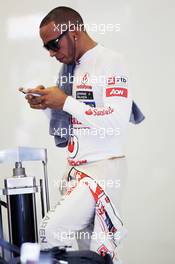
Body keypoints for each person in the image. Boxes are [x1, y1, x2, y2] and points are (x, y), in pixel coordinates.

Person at [24, 6, 135, 263]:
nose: (52, 53)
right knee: (93, 256)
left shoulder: (110, 61)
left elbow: (116, 121)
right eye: (46, 48)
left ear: (73, 33)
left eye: (53, 44)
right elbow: (76, 119)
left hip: (103, 172)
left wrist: (64, 102)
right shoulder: (70, 68)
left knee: (51, 232)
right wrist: (45, 105)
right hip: (77, 171)